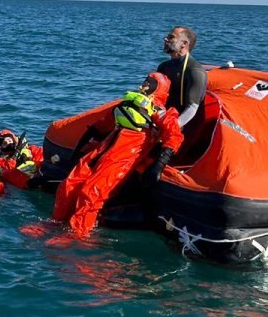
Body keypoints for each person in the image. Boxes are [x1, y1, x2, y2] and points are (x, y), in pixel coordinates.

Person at [52, 72, 183, 237]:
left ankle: (78, 235)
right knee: (68, 185)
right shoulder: (126, 103)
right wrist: (79, 148)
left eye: (150, 82)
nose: (145, 84)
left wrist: (160, 163)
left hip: (125, 157)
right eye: (146, 81)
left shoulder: (160, 110)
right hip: (103, 150)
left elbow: (175, 136)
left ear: (158, 89)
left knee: (92, 193)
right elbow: (101, 125)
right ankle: (55, 225)